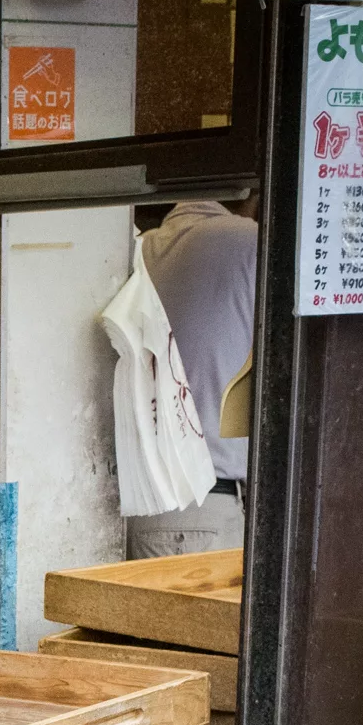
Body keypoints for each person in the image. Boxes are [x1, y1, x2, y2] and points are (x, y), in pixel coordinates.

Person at [125, 197, 257, 558]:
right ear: (251, 191)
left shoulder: (140, 246)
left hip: (148, 510)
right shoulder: (253, 242)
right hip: (205, 508)